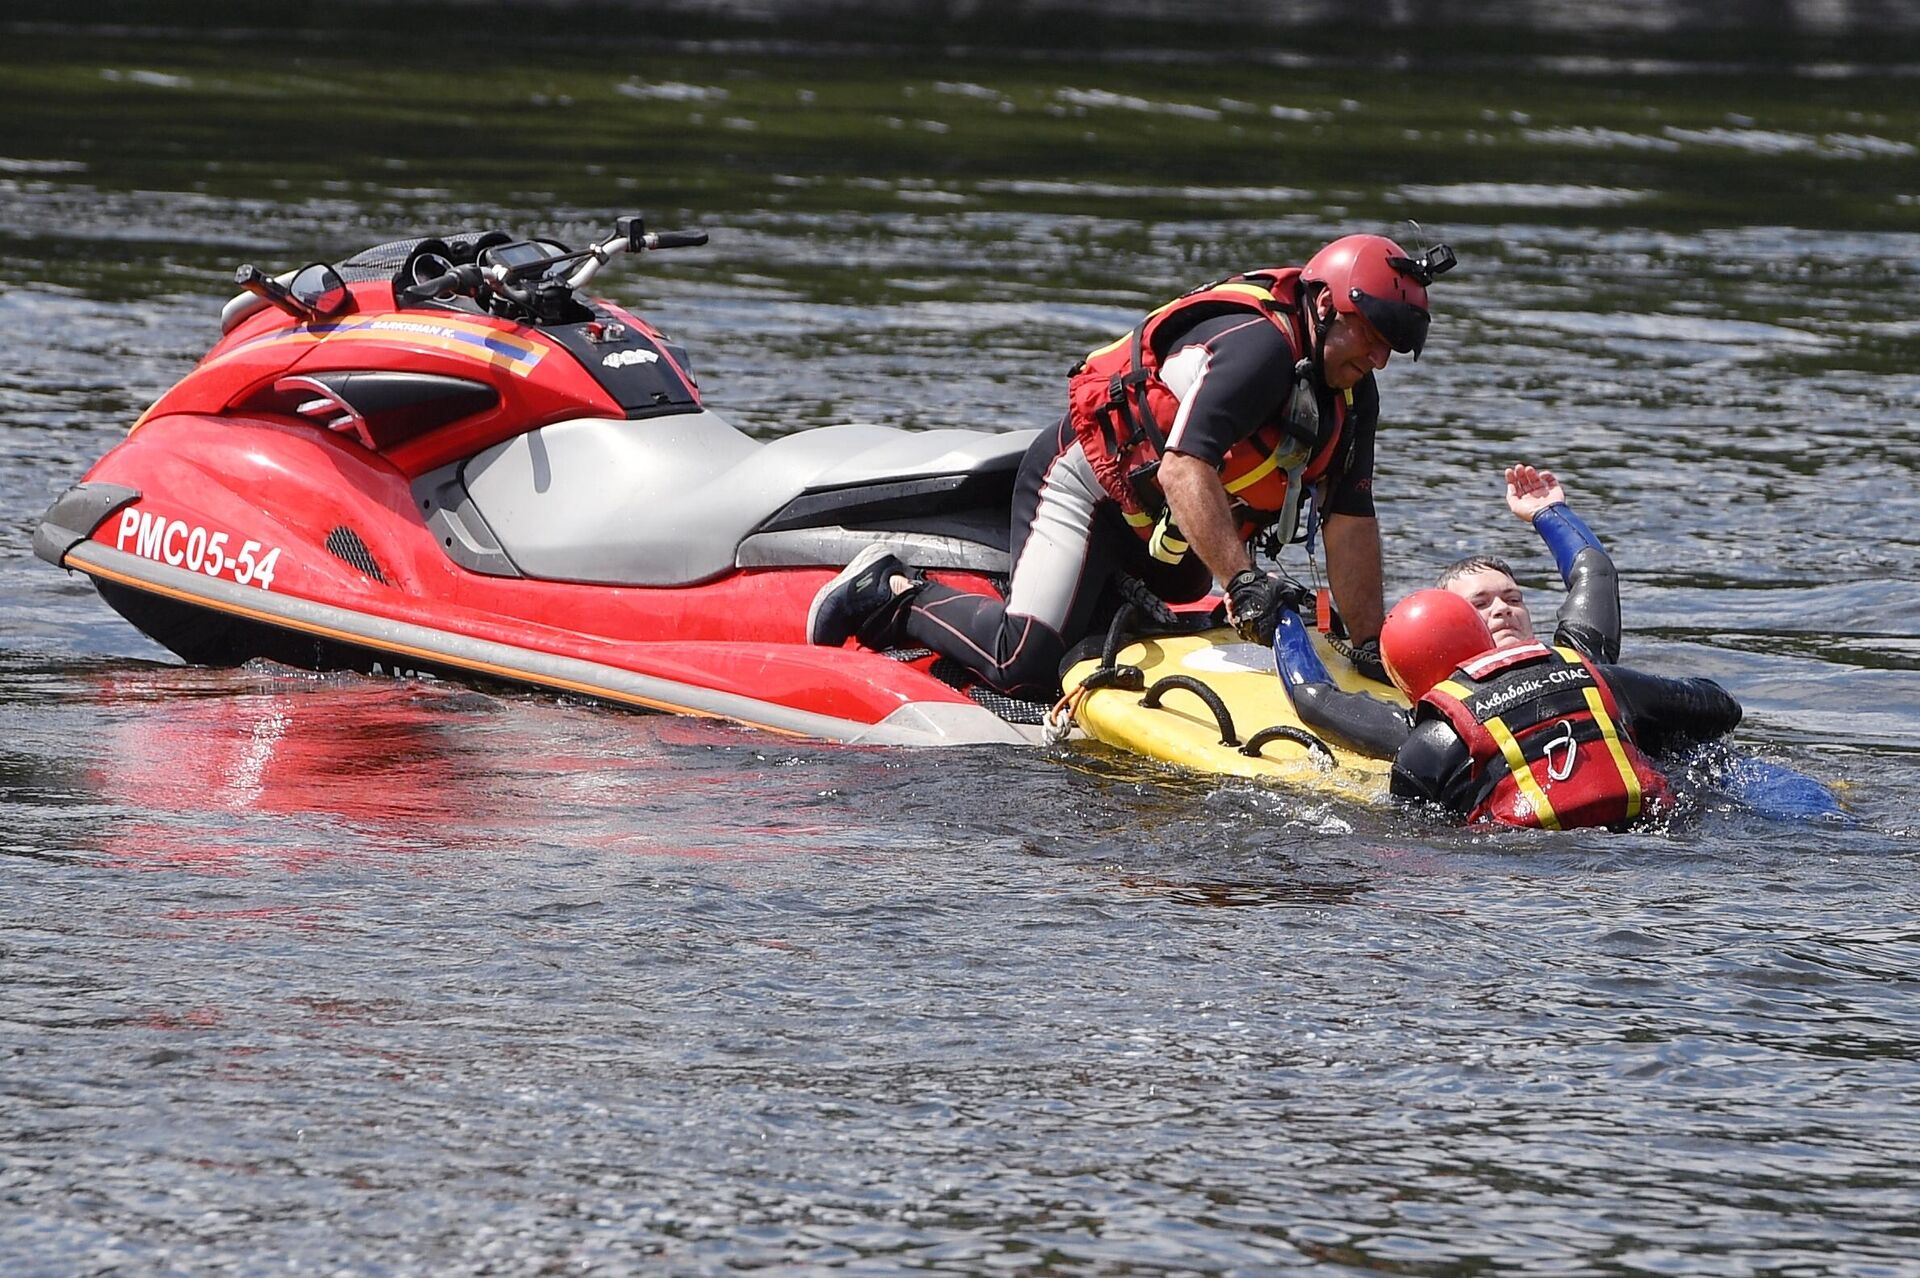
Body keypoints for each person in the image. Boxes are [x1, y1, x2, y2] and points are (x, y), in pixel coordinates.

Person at [806, 233, 1457, 699]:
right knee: (1026, 663)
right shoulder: (1259, 348)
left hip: (1164, 537)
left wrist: (1371, 648)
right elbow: (1183, 468)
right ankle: (891, 594)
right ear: (1321, 305)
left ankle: (1090, 598)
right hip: (1085, 487)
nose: (1378, 359)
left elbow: (1350, 517)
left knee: (1178, 604)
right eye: (1369, 335)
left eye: (1392, 347)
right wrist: (1243, 582)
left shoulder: (1351, 395)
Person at [1273, 464, 1744, 830]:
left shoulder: (1429, 736)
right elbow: (1594, 571)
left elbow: (1314, 698)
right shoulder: (1596, 674)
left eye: (1513, 598)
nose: (1502, 610)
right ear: (1441, 629)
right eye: (1479, 604)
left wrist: (1278, 616)